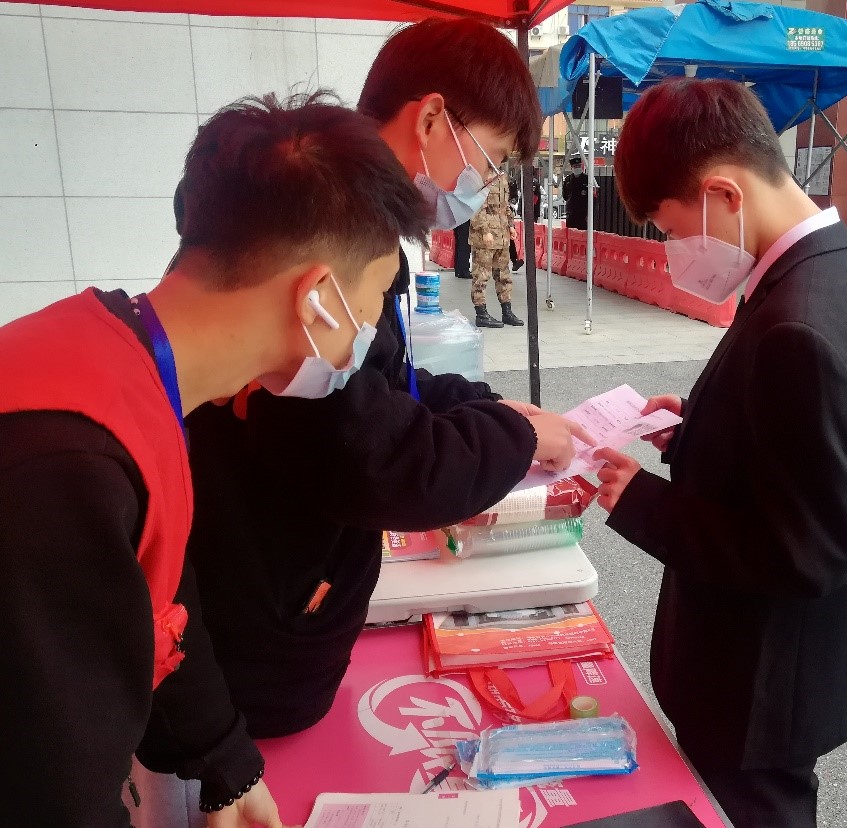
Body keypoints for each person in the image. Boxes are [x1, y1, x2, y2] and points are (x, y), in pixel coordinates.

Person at [127, 18, 592, 826]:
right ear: (313, 295)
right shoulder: (90, 440)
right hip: (235, 677)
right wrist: (223, 762)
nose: (370, 325)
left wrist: (481, 408)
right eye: (489, 161)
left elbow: (385, 384)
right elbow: (374, 455)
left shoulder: (170, 361)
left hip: (230, 682)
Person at [0, 91, 430, 826]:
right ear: (318, 299)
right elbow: (54, 786)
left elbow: (160, 601)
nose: (369, 337)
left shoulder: (124, 364)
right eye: (375, 300)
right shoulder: (64, 462)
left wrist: (226, 766)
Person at [593, 78, 847, 826]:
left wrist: (642, 501)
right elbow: (791, 447)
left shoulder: (800, 324)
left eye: (672, 232)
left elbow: (809, 552)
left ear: (724, 193)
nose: (673, 255)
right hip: (758, 678)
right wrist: (699, 427)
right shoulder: (821, 267)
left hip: (755, 689)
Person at [469, 173, 523, 327]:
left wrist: (511, 225)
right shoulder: (479, 176)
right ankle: (481, 314)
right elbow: (476, 206)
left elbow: (505, 206)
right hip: (485, 238)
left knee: (504, 275)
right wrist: (485, 230)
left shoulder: (502, 177)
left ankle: (507, 311)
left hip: (502, 236)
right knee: (481, 276)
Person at [563, 154, 596, 231]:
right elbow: (565, 196)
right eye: (575, 166)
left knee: (582, 233)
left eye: (579, 165)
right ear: (572, 167)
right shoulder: (568, 180)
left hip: (583, 213)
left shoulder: (587, 179)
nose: (577, 167)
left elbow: (593, 197)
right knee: (571, 233)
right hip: (571, 212)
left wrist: (589, 214)